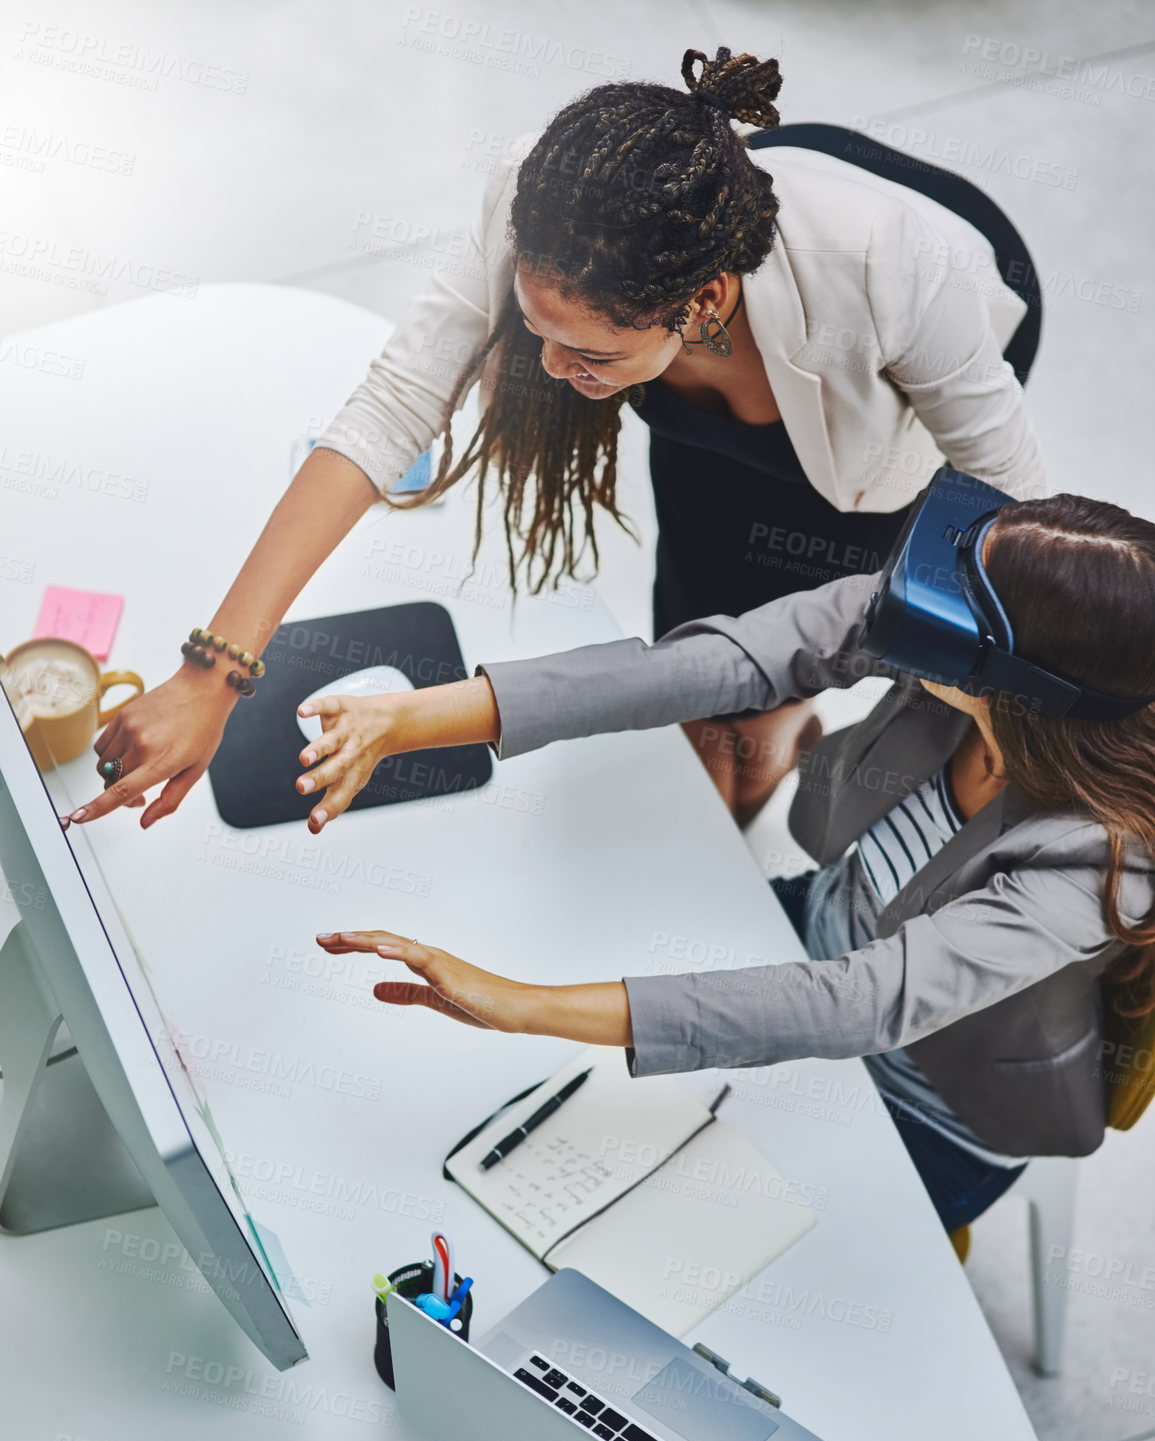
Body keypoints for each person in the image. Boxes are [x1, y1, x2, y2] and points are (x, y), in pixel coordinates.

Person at [71, 45, 1045, 835]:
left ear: (699, 305)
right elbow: (392, 405)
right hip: (706, 390)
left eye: (582, 349)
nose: (540, 369)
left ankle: (765, 754)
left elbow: (1023, 522)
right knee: (699, 648)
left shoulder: (898, 274)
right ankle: (735, 743)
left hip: (893, 413)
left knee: (763, 701)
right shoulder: (548, 203)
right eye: (533, 327)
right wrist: (214, 674)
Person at [299, 489, 1155, 1237]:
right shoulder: (951, 626)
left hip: (935, 1108)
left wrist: (523, 1007)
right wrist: (409, 719)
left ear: (1017, 687)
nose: (910, 592)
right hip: (815, 930)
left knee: (671, 1253)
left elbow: (866, 1002)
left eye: (952, 600)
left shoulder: (1102, 861)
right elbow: (722, 662)